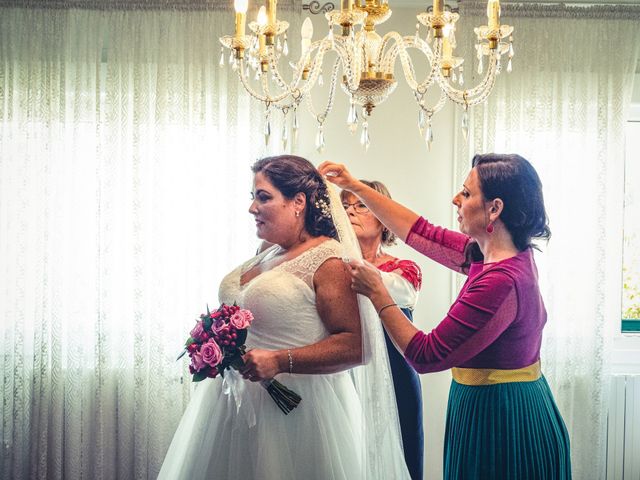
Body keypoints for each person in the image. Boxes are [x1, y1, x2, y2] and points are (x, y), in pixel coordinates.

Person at [320, 154, 572, 479]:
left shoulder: (501, 280)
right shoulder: (487, 254)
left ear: (494, 209)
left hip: (503, 415)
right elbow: (422, 232)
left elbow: (426, 355)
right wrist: (354, 185)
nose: (456, 199)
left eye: (466, 194)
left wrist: (378, 293)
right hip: (484, 404)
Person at [158, 155, 409, 480]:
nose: (253, 208)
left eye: (263, 197)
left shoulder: (329, 260)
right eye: (253, 197)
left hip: (298, 414)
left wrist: (280, 360)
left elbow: (356, 346)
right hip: (232, 407)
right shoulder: (267, 250)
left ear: (298, 202)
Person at [341, 181, 424, 480]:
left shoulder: (404, 268)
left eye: (361, 204)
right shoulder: (330, 267)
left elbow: (401, 296)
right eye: (345, 205)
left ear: (382, 216)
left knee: (403, 452)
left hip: (397, 372)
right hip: (345, 372)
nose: (350, 210)